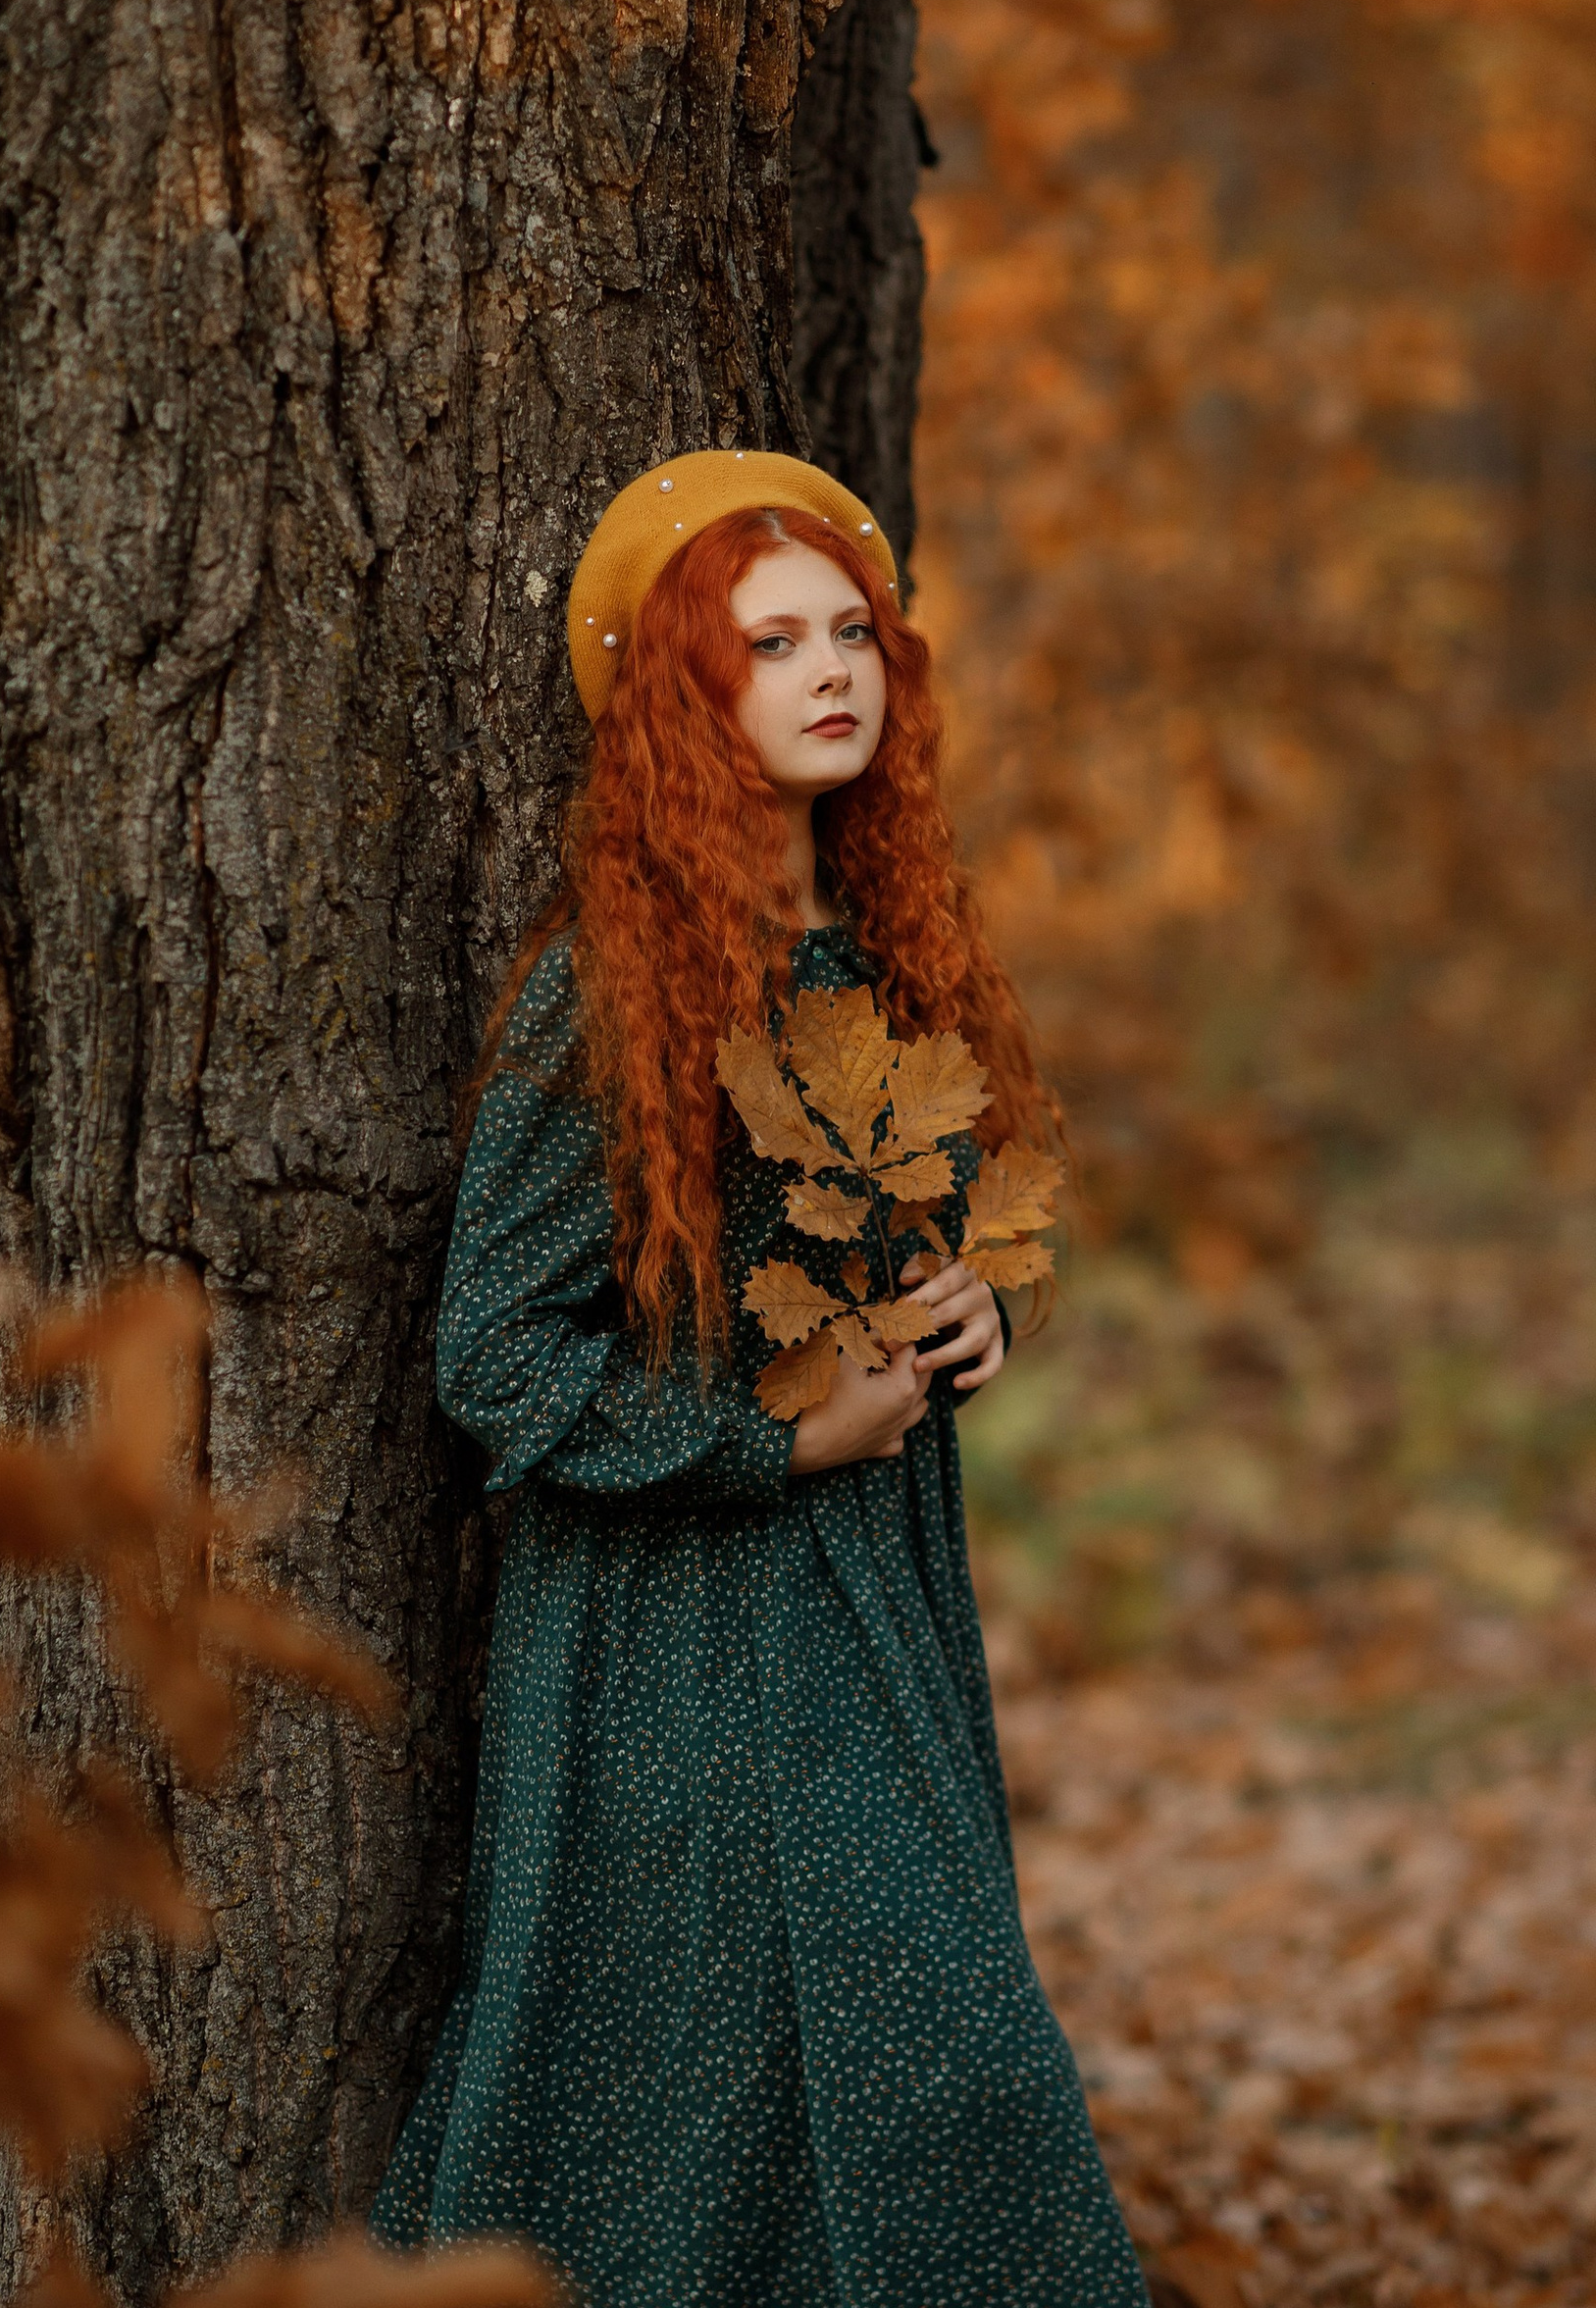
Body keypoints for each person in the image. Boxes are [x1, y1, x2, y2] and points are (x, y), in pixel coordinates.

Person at [371, 451, 1148, 2306]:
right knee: (802, 2096)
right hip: (678, 1637)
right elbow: (493, 1351)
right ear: (686, 701)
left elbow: (974, 1214)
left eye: (852, 634)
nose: (832, 671)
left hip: (880, 1601)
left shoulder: (895, 958)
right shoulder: (616, 996)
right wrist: (763, 1441)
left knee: (882, 2094)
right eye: (771, 642)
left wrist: (984, 1311)